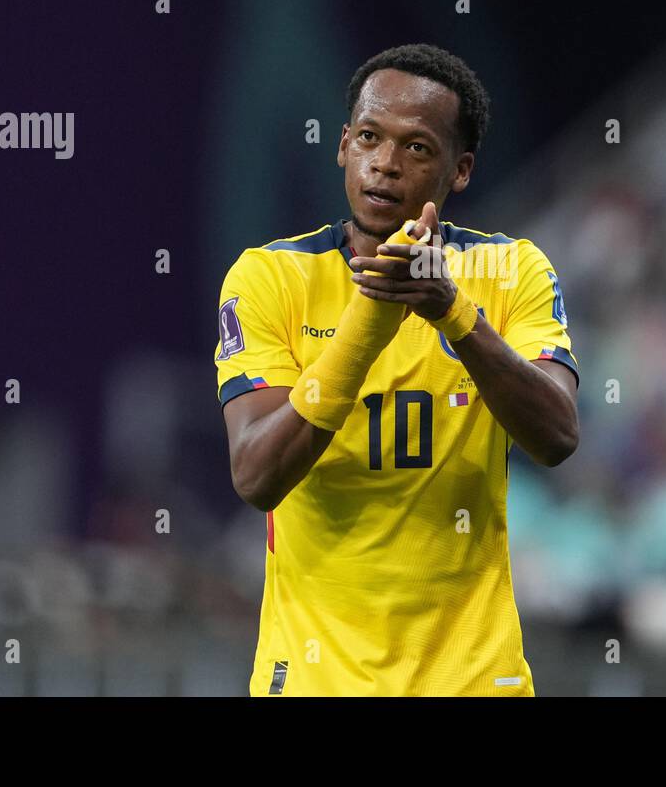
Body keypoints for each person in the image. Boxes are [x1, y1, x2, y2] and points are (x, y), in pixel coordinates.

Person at [214, 43, 580, 695]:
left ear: (460, 170)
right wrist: (372, 320)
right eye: (368, 138)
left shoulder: (510, 270)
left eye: (416, 148)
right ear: (342, 146)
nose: (384, 163)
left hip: (470, 679)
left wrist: (452, 313)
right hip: (313, 679)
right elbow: (256, 474)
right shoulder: (270, 276)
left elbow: (556, 436)